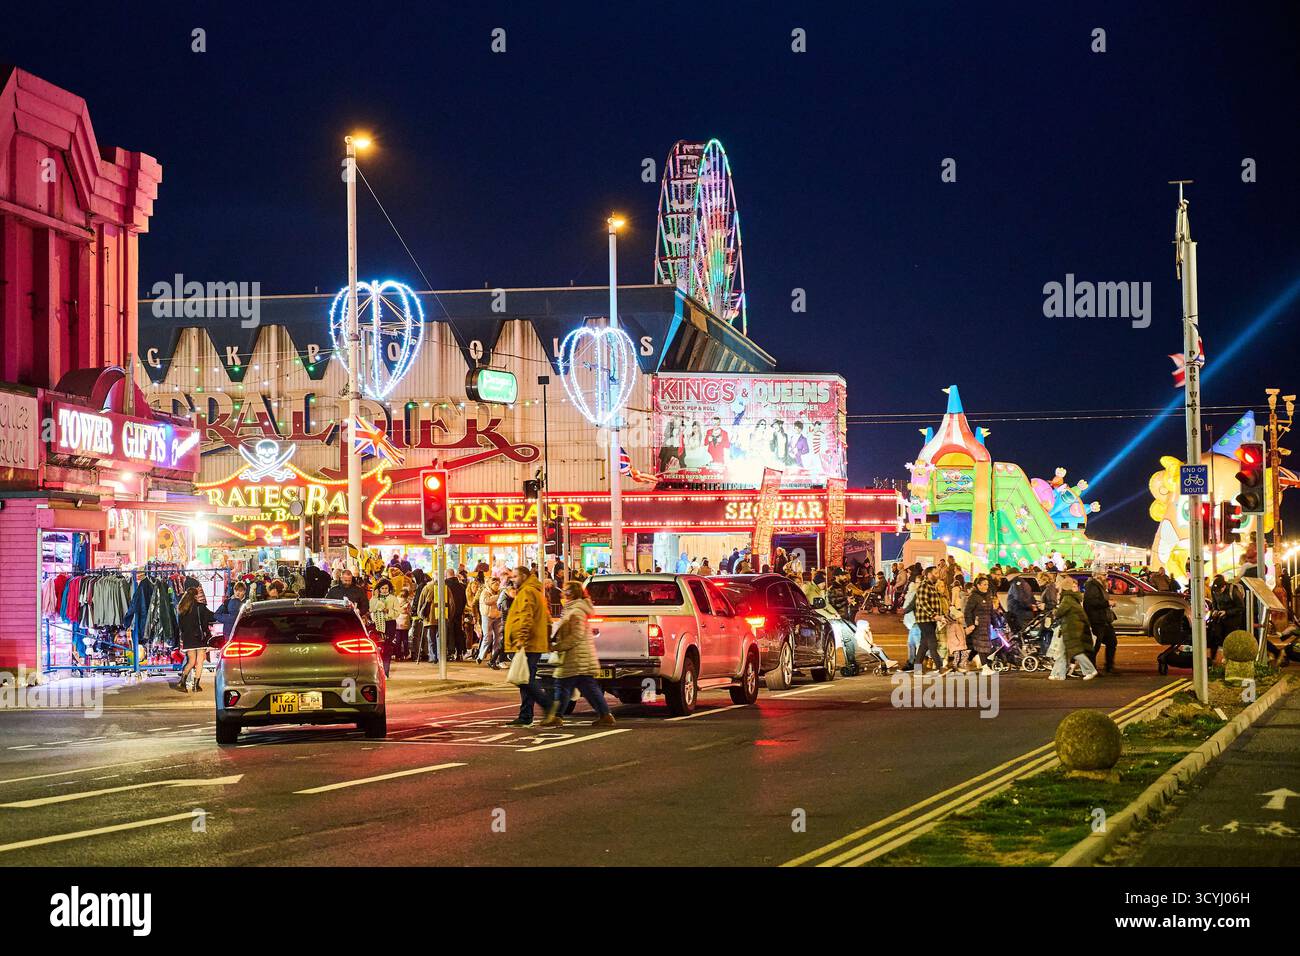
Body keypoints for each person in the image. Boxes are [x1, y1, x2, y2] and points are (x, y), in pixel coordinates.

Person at [540, 582, 615, 727]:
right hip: (578, 657)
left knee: (563, 685)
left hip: (576, 656)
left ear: (572, 593)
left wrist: (558, 646)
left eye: (566, 591)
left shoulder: (577, 611)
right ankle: (605, 715)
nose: (562, 593)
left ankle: (556, 716)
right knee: (587, 688)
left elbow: (576, 636)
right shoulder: (573, 609)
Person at [504, 566, 552, 727]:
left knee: (525, 680)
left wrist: (521, 638)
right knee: (525, 679)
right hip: (532, 643)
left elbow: (526, 616)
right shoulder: (533, 591)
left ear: (524, 576)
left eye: (516, 576)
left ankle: (547, 705)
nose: (513, 579)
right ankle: (526, 715)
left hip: (528, 644)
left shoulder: (527, 592)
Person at [1049, 577, 1098, 680]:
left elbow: (1059, 612)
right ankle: (1058, 674)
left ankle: (1090, 670)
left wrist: (1054, 611)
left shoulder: (1067, 598)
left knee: (1075, 651)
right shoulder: (1074, 598)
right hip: (1074, 627)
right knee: (1065, 651)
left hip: (1071, 628)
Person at [176, 587, 216, 693]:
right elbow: (211, 617)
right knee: (199, 662)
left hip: (188, 638)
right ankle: (196, 685)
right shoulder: (201, 607)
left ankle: (182, 682)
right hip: (199, 638)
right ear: (195, 596)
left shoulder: (182, 608)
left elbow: (180, 626)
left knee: (191, 661)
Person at [912, 565, 947, 672]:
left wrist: (940, 617)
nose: (938, 575)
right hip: (925, 620)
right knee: (933, 643)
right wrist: (934, 615)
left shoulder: (931, 586)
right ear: (929, 574)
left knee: (924, 645)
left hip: (930, 620)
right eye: (935, 573)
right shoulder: (924, 586)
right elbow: (923, 603)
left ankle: (917, 669)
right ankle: (940, 667)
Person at [1082, 572, 1117, 673]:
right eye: (1104, 574)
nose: (1106, 576)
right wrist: (1107, 603)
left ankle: (1109, 666)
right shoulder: (1092, 586)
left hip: (1104, 619)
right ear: (1098, 576)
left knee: (1112, 642)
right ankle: (1091, 668)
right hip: (1096, 620)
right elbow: (1090, 603)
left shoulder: (1099, 586)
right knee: (1095, 645)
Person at [964, 575, 995, 673]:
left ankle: (964, 662)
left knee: (979, 646)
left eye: (987, 584)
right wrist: (970, 624)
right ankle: (985, 668)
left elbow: (991, 610)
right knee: (981, 645)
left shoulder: (988, 595)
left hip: (986, 624)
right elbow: (967, 611)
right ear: (978, 585)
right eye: (984, 584)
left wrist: (995, 623)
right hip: (977, 625)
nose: (986, 586)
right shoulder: (974, 597)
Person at [477, 575, 504, 667]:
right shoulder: (485, 592)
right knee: (487, 636)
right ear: (491, 584)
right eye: (495, 584)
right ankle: (481, 656)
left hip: (498, 616)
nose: (497, 586)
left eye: (498, 584)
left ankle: (494, 658)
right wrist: (498, 596)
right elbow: (487, 601)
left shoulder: (501, 592)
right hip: (487, 616)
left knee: (498, 637)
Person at [945, 580, 970, 672]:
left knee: (964, 655)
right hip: (957, 645)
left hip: (961, 645)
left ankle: (961, 665)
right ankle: (956, 666)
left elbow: (963, 633)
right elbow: (953, 637)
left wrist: (968, 630)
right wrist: (958, 643)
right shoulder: (953, 626)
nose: (962, 619)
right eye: (961, 618)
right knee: (958, 656)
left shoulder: (959, 625)